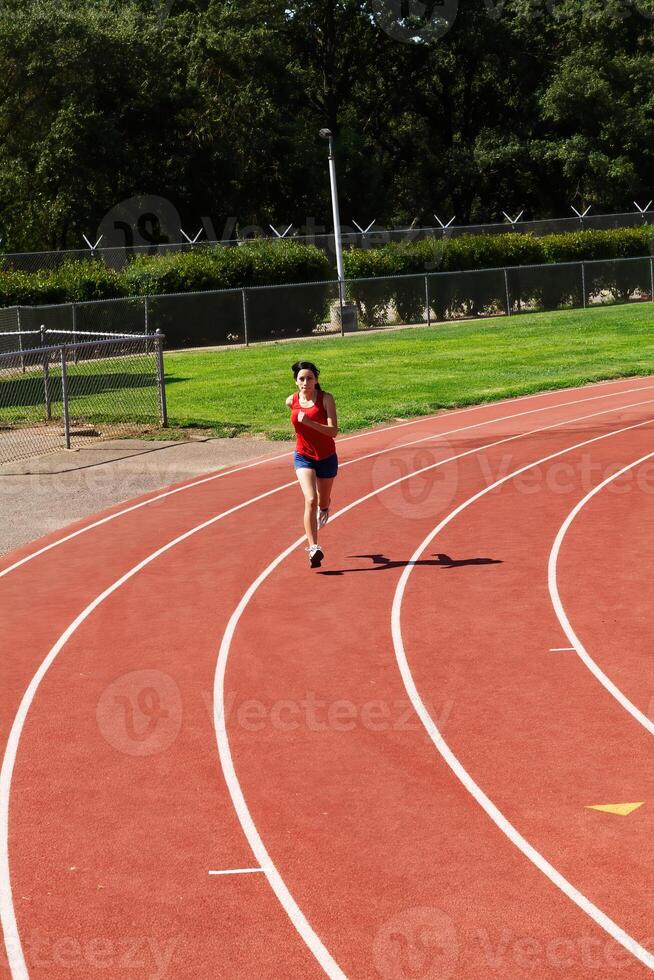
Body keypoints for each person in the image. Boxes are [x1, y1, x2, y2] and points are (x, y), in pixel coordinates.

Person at [286, 360, 338, 568]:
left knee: (322, 501)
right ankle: (314, 548)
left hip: (326, 457)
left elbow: (333, 431)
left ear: (316, 380)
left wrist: (309, 423)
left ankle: (325, 508)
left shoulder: (326, 399)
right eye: (301, 379)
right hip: (303, 456)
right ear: (296, 382)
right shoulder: (291, 401)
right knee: (310, 499)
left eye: (309, 378)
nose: (306, 382)